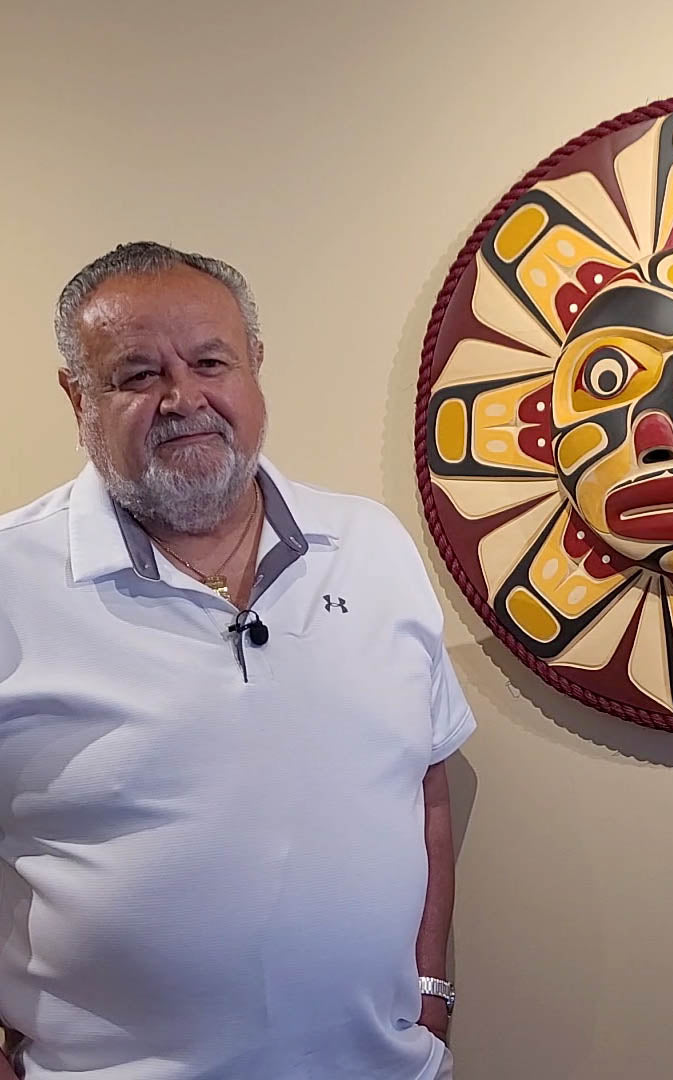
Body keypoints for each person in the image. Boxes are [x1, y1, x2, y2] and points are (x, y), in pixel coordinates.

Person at [0, 243, 474, 1079]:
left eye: (210, 361)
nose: (185, 398)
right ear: (79, 397)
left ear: (253, 365)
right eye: (137, 374)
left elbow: (424, 785)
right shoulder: (11, 581)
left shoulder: (371, 545)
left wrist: (430, 991)